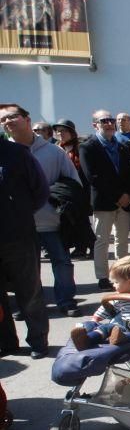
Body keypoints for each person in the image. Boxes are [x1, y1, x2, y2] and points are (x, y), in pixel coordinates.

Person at [1, 103, 82, 318]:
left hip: (51, 221)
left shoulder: (53, 151)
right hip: (18, 226)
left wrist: (53, 199)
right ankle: (28, 307)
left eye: (12, 116)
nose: (7, 122)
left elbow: (73, 183)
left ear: (27, 119)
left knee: (61, 262)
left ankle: (66, 300)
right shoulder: (4, 153)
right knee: (25, 270)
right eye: (2, 120)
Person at [0, 121, 50, 359]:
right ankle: (7, 342)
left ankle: (38, 341)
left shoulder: (16, 153)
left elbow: (40, 190)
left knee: (28, 291)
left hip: (18, 235)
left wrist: (18, 212)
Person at [78, 109, 130, 291]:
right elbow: (92, 177)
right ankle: (103, 277)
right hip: (104, 201)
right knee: (102, 240)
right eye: (104, 121)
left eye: (111, 120)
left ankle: (123, 274)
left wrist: (127, 194)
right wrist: (117, 196)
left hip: (125, 201)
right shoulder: (88, 147)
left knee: (122, 240)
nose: (109, 124)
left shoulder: (121, 146)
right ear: (95, 124)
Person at [54, 118, 93, 259]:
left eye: (63, 131)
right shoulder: (57, 148)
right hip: (64, 190)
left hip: (80, 188)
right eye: (58, 131)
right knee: (71, 219)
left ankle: (92, 245)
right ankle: (80, 247)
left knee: (81, 219)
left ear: (71, 132)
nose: (60, 134)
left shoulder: (80, 147)